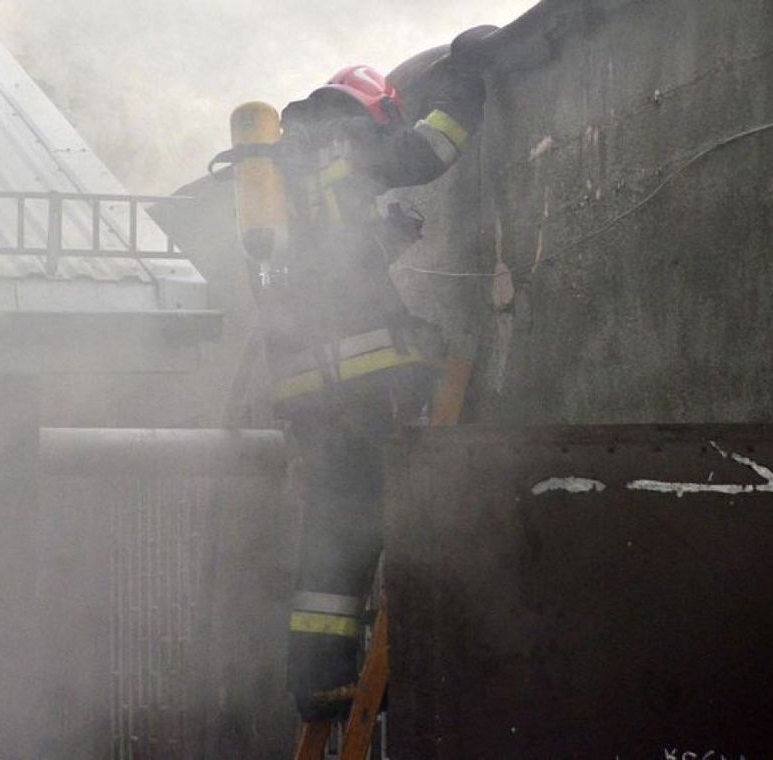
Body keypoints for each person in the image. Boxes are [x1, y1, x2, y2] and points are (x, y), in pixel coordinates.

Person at [240, 27, 494, 721]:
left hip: (307, 392)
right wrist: (466, 74)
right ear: (373, 109)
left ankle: (319, 683)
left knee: (334, 531)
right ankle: (405, 665)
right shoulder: (347, 142)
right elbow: (430, 148)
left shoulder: (283, 169)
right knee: (393, 514)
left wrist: (385, 238)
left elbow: (325, 269)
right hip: (361, 386)